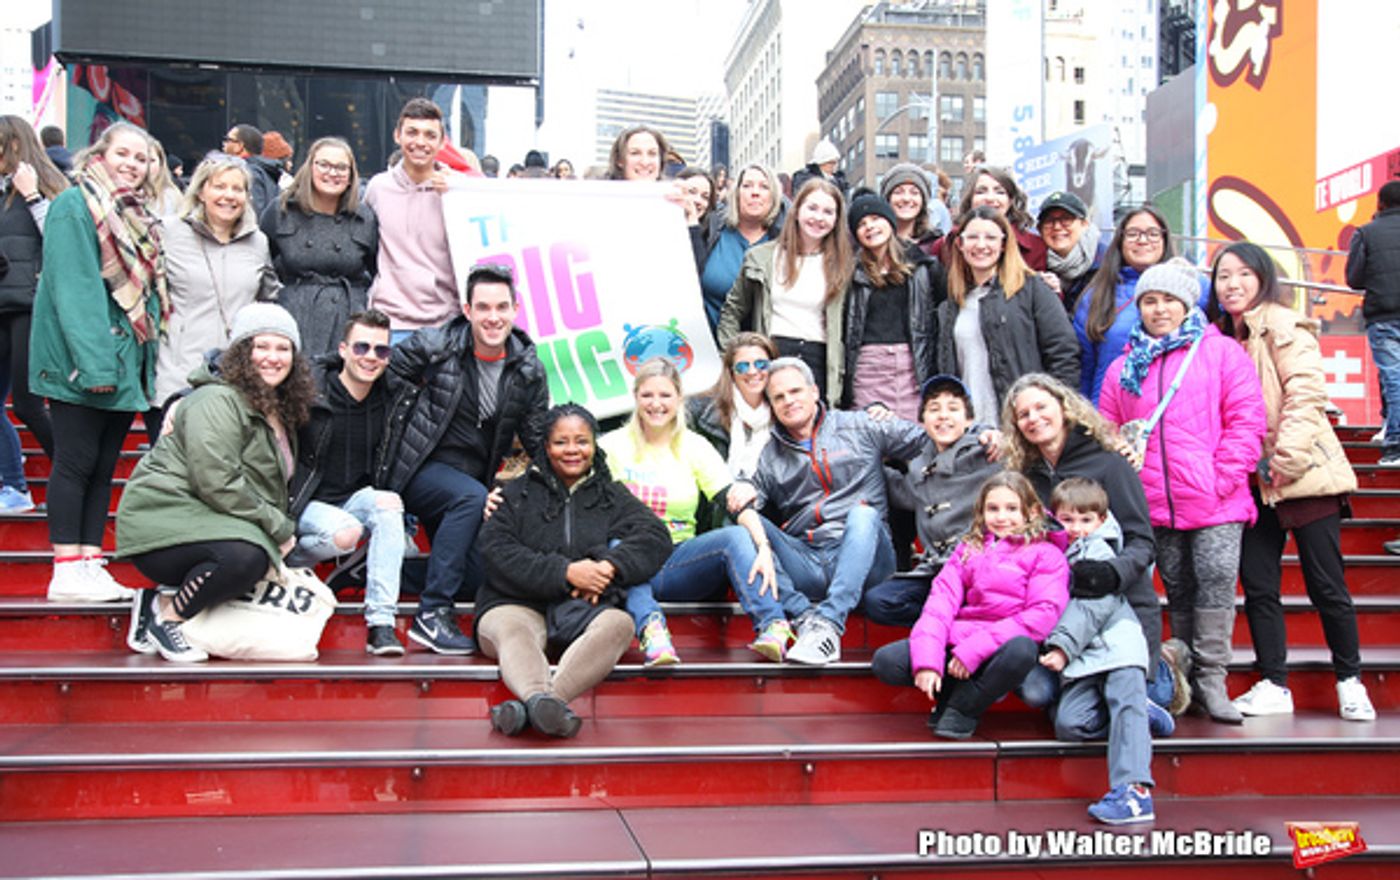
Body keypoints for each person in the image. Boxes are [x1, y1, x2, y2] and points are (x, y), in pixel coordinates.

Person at [1098, 258, 1266, 724]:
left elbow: (1247, 419)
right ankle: (1185, 675)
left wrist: (1222, 477)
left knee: (1215, 584)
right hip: (1154, 501)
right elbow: (1108, 431)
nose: (1159, 309)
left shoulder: (1221, 353)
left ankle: (1214, 680)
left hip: (1216, 498)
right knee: (1177, 586)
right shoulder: (1122, 368)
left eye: (1168, 300)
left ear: (1187, 303)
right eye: (1149, 301)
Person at [1212, 242, 1375, 721]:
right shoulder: (1221, 337)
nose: (1233, 284)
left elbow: (1306, 394)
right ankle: (1273, 682)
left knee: (1327, 585)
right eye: (1223, 276)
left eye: (1243, 274)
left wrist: (1286, 457)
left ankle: (1350, 680)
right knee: (1260, 585)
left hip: (1303, 475)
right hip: (1253, 482)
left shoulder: (1282, 325)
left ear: (1263, 278)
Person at [117, 303, 313, 662]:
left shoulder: (276, 408)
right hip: (164, 518)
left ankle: (156, 600)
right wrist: (278, 527)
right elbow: (217, 481)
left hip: (206, 518)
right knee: (245, 558)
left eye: (283, 348)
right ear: (240, 352)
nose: (273, 357)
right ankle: (168, 617)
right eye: (261, 346)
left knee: (269, 550)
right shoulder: (217, 399)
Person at [379, 264, 549, 654]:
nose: (493, 317)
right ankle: (432, 614)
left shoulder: (527, 369)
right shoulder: (434, 346)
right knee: (470, 498)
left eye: (502, 307)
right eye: (484, 307)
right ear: (467, 310)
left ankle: (388, 570)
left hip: (471, 483)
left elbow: (538, 439)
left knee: (477, 575)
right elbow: (383, 383)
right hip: (421, 468)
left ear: (515, 309)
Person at [474, 404, 672, 738]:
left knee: (620, 623)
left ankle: (536, 706)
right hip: (513, 603)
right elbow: (496, 551)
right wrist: (565, 572)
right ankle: (541, 699)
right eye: (561, 442)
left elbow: (655, 536)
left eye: (581, 441)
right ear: (546, 447)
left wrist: (610, 565)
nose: (572, 450)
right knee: (514, 632)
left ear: (594, 445)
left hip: (579, 609)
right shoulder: (516, 494)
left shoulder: (612, 495)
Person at [30, 122, 165, 602]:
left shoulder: (135, 213)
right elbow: (76, 291)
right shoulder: (74, 204)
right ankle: (65, 567)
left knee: (104, 465)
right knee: (75, 463)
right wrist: (96, 366)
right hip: (84, 362)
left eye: (142, 157)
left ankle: (89, 560)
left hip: (123, 360)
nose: (132, 163)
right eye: (123, 153)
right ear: (101, 153)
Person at [726, 358, 924, 664]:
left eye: (795, 391)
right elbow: (752, 500)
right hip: (807, 558)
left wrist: (982, 434)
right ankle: (804, 616)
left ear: (814, 390)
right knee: (747, 529)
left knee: (864, 513)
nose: (789, 401)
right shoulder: (771, 454)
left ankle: (829, 624)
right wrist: (744, 489)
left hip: (866, 556)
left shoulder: (861, 424)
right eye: (779, 397)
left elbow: (925, 440)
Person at [1003, 373, 1179, 713]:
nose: (1034, 418)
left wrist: (1109, 573)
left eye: (1042, 407)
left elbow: (1142, 541)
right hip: (1060, 614)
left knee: (1151, 700)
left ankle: (1166, 668)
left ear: (1064, 407)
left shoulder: (1110, 462)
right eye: (1023, 415)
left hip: (1117, 604)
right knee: (1037, 694)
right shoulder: (1024, 477)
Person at [599, 358, 782, 663]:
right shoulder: (612, 446)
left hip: (679, 561)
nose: (656, 404)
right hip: (629, 561)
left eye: (665, 395)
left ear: (679, 399)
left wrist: (762, 545)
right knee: (615, 545)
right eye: (647, 395)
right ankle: (652, 633)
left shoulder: (694, 446)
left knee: (736, 536)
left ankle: (773, 626)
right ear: (635, 397)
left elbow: (733, 501)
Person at [870, 471, 1069, 739]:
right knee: (887, 662)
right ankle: (953, 693)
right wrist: (929, 661)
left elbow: (1041, 615)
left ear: (1031, 512)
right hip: (963, 636)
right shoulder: (969, 548)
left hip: (1005, 647)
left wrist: (974, 650)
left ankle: (964, 708)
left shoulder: (1046, 554)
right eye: (993, 509)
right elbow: (940, 603)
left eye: (1012, 509)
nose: (1001, 517)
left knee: (1022, 650)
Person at [1041, 477, 1161, 825]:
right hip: (1087, 656)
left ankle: (1133, 792)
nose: (1076, 528)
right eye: (1067, 520)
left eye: (1085, 520)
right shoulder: (1058, 551)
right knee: (1071, 725)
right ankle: (1144, 714)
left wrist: (1061, 647)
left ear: (1101, 520)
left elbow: (1092, 608)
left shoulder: (1099, 551)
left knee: (1125, 702)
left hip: (1118, 645)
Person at [287, 309, 407, 656]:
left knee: (389, 505)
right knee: (346, 533)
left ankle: (381, 624)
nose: (371, 357)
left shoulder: (393, 394)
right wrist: (179, 403)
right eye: (361, 347)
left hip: (353, 500)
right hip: (306, 501)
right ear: (342, 349)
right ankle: (289, 561)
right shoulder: (310, 389)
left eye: (381, 351)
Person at [862, 375, 1001, 627]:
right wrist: (867, 449)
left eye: (953, 408)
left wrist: (991, 433)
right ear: (923, 420)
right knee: (878, 601)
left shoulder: (988, 451)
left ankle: (952, 621)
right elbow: (899, 490)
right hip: (935, 570)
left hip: (977, 567)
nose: (943, 415)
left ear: (969, 419)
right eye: (934, 409)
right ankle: (949, 621)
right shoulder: (918, 467)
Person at [154, 153, 279, 433]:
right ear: (201, 190)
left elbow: (268, 300)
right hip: (178, 373)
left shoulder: (258, 242)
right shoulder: (169, 233)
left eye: (238, 188)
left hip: (237, 378)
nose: (229, 195)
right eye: (219, 186)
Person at [935, 205, 1078, 426]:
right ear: (960, 245)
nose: (981, 245)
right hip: (970, 433)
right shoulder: (951, 306)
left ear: (1003, 244)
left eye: (991, 237)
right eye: (972, 237)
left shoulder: (1032, 290)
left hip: (1022, 427)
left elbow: (1063, 353)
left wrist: (1052, 413)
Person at [716, 179, 851, 402]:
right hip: (771, 355)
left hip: (819, 360)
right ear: (797, 211)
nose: (818, 217)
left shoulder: (844, 266)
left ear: (836, 220)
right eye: (812, 208)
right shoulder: (762, 258)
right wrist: (732, 359)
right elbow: (732, 311)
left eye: (828, 212)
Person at [1073, 205, 1208, 404]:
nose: (1143, 240)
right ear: (1120, 240)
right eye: (1133, 234)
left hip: (1180, 411)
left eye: (1152, 233)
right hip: (1111, 413)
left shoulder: (1196, 285)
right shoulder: (1097, 295)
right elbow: (1084, 366)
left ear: (1165, 239)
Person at [261, 136, 379, 357]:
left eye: (341, 167)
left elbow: (376, 269)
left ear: (351, 176)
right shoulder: (281, 210)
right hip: (295, 315)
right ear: (309, 167)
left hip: (347, 317)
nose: (332, 173)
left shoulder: (364, 218)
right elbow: (262, 260)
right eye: (324, 164)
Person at [0, 115, 65, 513]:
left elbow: (64, 241)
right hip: (3, 304)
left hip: (31, 305)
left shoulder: (47, 188)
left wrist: (32, 197)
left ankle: (72, 470)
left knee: (26, 403)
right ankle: (14, 485)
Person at [841, 191, 944, 419]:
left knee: (915, 441)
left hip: (912, 367)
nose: (870, 227)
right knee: (871, 440)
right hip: (868, 369)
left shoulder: (924, 267)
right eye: (862, 224)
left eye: (876, 219)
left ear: (890, 221)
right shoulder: (851, 274)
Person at [364, 98, 459, 337]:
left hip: (444, 324)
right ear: (398, 136)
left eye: (429, 135)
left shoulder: (456, 191)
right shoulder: (378, 188)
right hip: (388, 322)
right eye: (412, 132)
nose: (420, 142)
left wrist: (457, 190)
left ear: (441, 142)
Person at [1346, 180, 1400, 466]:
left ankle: (1395, 445)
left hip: (1383, 314)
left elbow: (1353, 279)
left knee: (1393, 376)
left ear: (1380, 203)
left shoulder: (1366, 233)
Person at [696, 163, 784, 332]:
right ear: (736, 194)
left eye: (764, 187)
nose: (755, 192)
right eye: (747, 185)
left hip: (761, 352)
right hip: (706, 346)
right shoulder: (712, 230)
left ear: (773, 197)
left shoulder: (783, 243)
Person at [686, 332, 778, 480]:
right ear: (731, 372)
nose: (753, 372)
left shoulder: (783, 414)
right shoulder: (699, 410)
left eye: (761, 364)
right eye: (742, 366)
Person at [955, 166, 1047, 271]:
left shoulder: (1036, 247)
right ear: (970, 198)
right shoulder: (948, 243)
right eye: (981, 191)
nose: (990, 198)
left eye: (1000, 192)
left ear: (1011, 200)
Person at [1036, 191, 1103, 308]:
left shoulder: (1106, 261)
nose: (1057, 227)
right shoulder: (1034, 264)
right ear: (1039, 229)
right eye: (1049, 221)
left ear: (1084, 224)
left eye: (1066, 219)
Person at [221, 123, 283, 218]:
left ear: (240, 146)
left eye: (228, 140)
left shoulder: (249, 173)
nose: (224, 144)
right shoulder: (265, 171)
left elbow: (255, 213)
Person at [880, 163, 940, 256]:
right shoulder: (876, 243)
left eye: (914, 193)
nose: (906, 199)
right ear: (887, 199)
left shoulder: (937, 246)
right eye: (898, 192)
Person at [144, 138, 183, 217]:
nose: (147, 165)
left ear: (161, 164)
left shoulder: (171, 197)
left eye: (152, 160)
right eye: (142, 160)